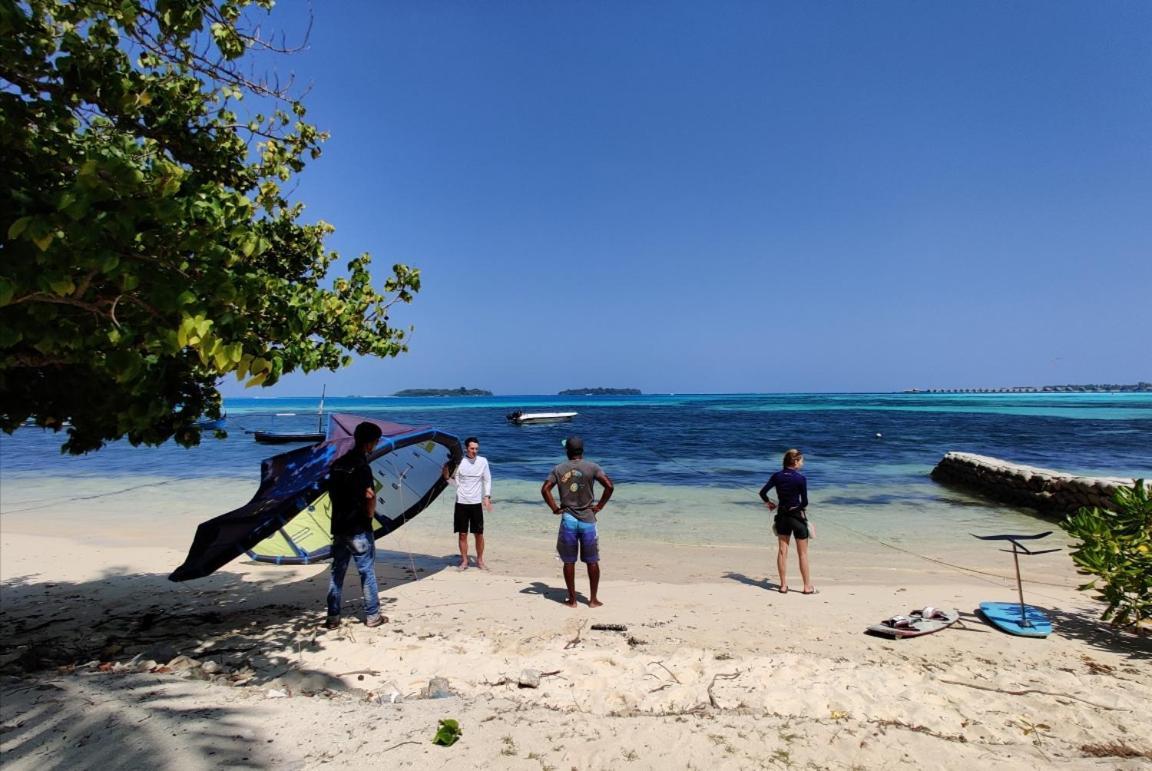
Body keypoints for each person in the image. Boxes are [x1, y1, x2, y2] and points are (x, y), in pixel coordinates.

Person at [325, 421, 387, 629]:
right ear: (369, 443)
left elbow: (333, 494)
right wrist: (369, 516)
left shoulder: (337, 464)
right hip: (358, 528)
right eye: (376, 442)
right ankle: (372, 616)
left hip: (339, 526)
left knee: (337, 572)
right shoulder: (362, 467)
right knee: (366, 571)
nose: (376, 446)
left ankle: (333, 617)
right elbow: (369, 495)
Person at [541, 436, 614, 607]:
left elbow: (545, 489)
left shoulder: (558, 469)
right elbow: (609, 486)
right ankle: (593, 600)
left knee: (569, 561)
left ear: (567, 451)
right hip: (588, 518)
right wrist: (600, 506)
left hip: (568, 519)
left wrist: (555, 508)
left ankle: (572, 600)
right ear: (582, 451)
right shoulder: (592, 467)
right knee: (592, 560)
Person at [759, 448, 815, 595]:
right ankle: (807, 587)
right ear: (795, 461)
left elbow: (762, 493)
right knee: (802, 554)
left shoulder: (777, 476)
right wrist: (799, 509)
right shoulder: (800, 479)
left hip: (782, 517)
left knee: (782, 552)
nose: (802, 463)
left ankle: (783, 586)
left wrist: (770, 504)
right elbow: (805, 503)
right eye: (801, 460)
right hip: (797, 518)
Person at [443, 436, 492, 570]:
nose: (474, 451)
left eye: (476, 449)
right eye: (472, 448)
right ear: (466, 449)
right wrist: (447, 477)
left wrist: (487, 497)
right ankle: (464, 561)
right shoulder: (459, 462)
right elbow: (452, 480)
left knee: (479, 534)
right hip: (461, 503)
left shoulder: (483, 461)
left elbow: (487, 480)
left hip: (476, 503)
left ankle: (480, 560)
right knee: (463, 533)